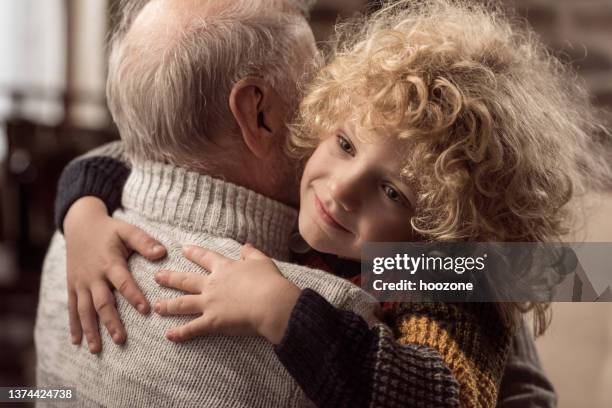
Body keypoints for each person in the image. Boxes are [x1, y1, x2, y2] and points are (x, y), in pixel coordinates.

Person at [41, 0, 580, 407]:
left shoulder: (445, 277)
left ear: (444, 229)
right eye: (344, 143)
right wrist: (82, 208)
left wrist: (283, 313)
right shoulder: (335, 205)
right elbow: (135, 149)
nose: (341, 187)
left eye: (394, 192)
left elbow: (438, 393)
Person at [35, 1, 383, 407]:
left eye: (392, 190)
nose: (326, 110)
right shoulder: (327, 321)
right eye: (314, 82)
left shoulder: (70, 245)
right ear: (259, 114)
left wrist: (81, 203)